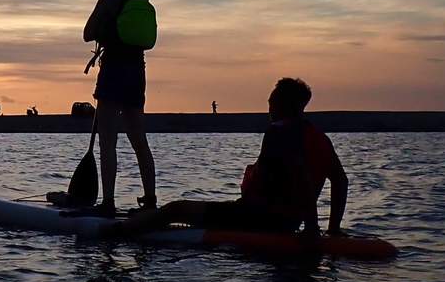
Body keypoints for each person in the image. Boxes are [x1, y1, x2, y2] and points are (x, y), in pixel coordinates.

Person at [101, 77, 347, 238]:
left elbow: (300, 175)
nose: (268, 105)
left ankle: (116, 232)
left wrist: (313, 230)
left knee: (176, 209)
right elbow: (340, 181)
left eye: (272, 100)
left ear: (282, 104)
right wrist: (332, 229)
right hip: (287, 222)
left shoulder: (279, 133)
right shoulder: (319, 137)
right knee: (194, 215)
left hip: (259, 218)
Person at [83, 0, 157, 212]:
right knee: (140, 142)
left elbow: (87, 33)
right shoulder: (142, 1)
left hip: (113, 72)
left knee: (108, 142)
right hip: (137, 74)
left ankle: (109, 202)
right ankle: (150, 201)